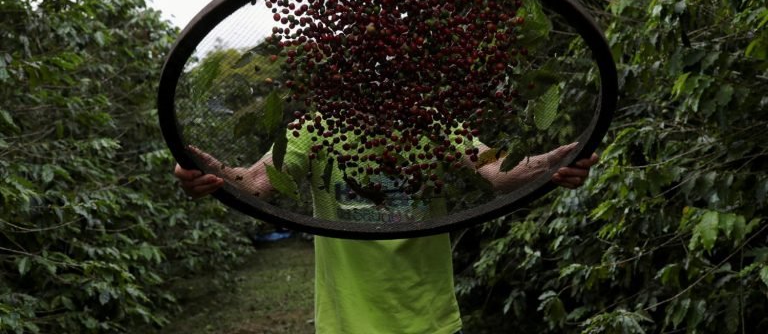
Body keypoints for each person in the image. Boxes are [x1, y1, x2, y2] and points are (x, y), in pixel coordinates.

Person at [174, 133, 598, 334]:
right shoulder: (314, 128)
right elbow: (252, 185)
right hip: (346, 322)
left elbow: (499, 174)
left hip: (428, 318)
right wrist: (206, 173)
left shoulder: (435, 123)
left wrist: (551, 163)